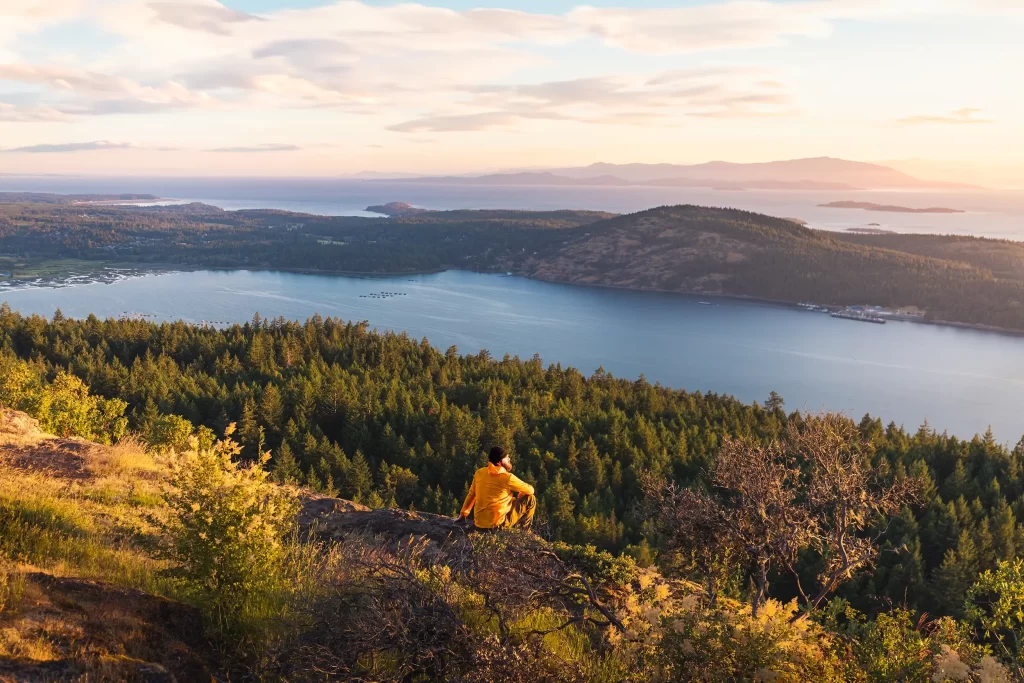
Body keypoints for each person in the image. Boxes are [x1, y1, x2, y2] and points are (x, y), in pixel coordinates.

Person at [455, 446, 536, 530]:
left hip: (479, 523)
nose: (509, 458)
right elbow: (531, 490)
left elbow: (472, 494)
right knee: (530, 498)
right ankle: (525, 531)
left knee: (511, 500)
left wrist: (463, 514)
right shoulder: (507, 477)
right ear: (499, 462)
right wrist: (521, 493)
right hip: (498, 524)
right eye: (506, 457)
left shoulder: (479, 473)